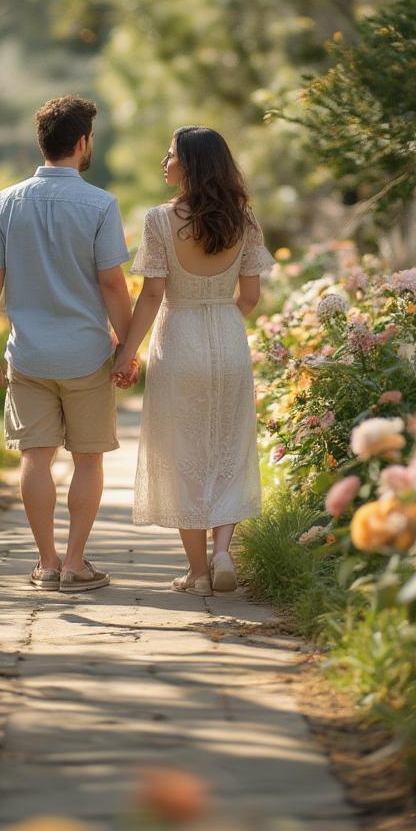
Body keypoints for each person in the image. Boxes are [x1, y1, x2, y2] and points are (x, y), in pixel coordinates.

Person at [0, 95, 140, 593]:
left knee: (35, 457)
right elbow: (113, 284)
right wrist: (128, 348)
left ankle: (44, 563)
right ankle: (75, 563)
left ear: (41, 141)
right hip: (87, 354)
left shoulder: (5, 201)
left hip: (28, 355)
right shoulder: (100, 204)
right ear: (83, 142)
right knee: (88, 459)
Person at [113, 127, 273, 595]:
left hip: (178, 335)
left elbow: (153, 294)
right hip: (228, 336)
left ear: (191, 164)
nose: (164, 163)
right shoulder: (244, 220)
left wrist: (127, 352)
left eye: (171, 156)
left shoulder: (160, 221)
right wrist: (222, 320)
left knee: (183, 454)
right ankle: (223, 550)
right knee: (228, 447)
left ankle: (199, 574)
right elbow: (251, 296)